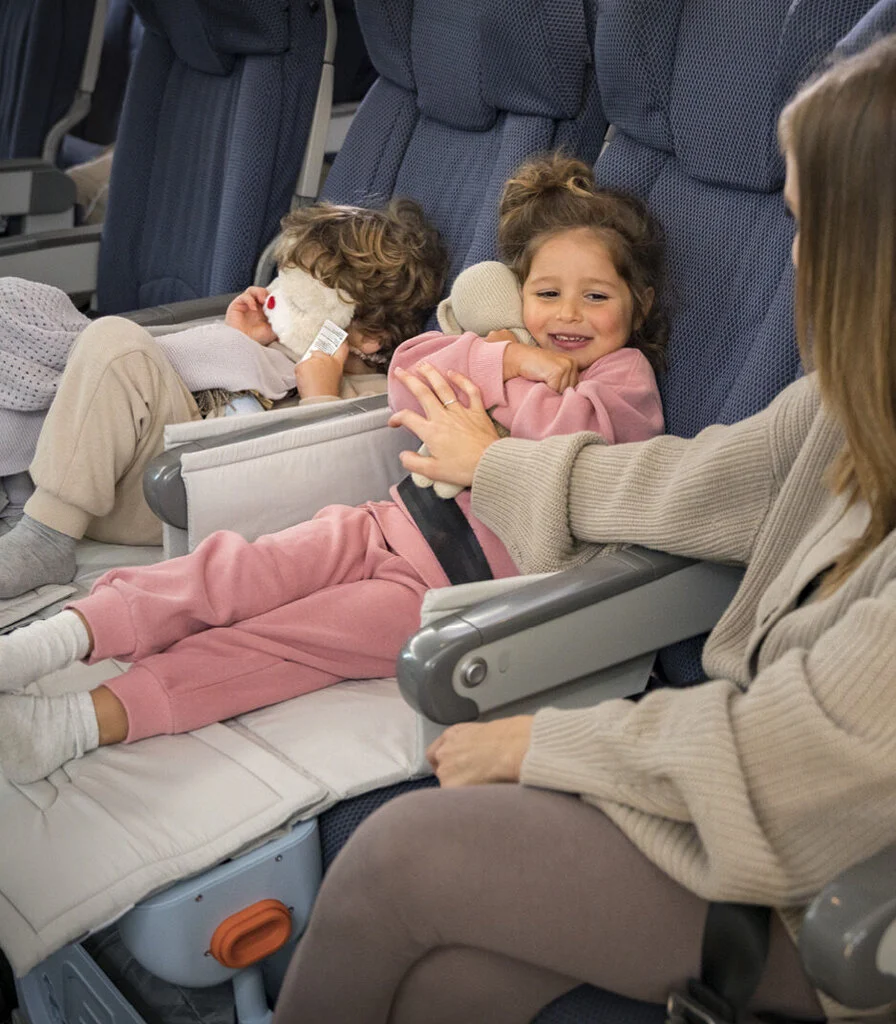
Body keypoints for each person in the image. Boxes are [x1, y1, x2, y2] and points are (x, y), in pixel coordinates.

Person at [261, 34, 896, 1024]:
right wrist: (495, 463)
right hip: (748, 817)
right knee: (445, 986)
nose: (795, 257)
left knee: (399, 853)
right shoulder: (842, 405)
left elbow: (785, 756)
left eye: (811, 227)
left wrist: (543, 743)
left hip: (828, 905)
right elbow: (688, 482)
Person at [0, 155, 667, 784]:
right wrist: (508, 360)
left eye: (596, 297)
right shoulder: (506, 347)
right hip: (383, 522)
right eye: (547, 293)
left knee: (275, 646)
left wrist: (492, 392)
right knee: (233, 569)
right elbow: (409, 371)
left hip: (450, 589)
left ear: (637, 303)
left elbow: (562, 447)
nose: (569, 315)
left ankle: (79, 722)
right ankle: (55, 640)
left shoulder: (623, 381)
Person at [0, 198, 447, 600]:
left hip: (177, 493)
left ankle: (46, 538)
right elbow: (190, 379)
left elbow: (328, 489)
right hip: (104, 468)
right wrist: (234, 344)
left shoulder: (373, 395)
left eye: (303, 301)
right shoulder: (276, 347)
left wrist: (319, 398)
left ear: (370, 337)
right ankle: (30, 502)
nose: (279, 302)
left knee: (114, 342)